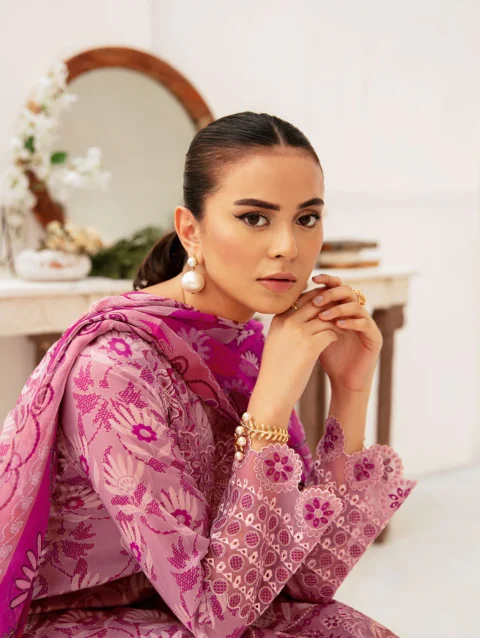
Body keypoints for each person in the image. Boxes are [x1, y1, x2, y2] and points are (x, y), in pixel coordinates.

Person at [0, 112, 416, 638]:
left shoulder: (241, 346)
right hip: (78, 621)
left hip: (196, 606)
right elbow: (214, 619)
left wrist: (350, 390)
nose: (288, 246)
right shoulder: (113, 372)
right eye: (255, 218)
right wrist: (268, 412)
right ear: (190, 230)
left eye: (307, 218)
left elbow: (307, 580)